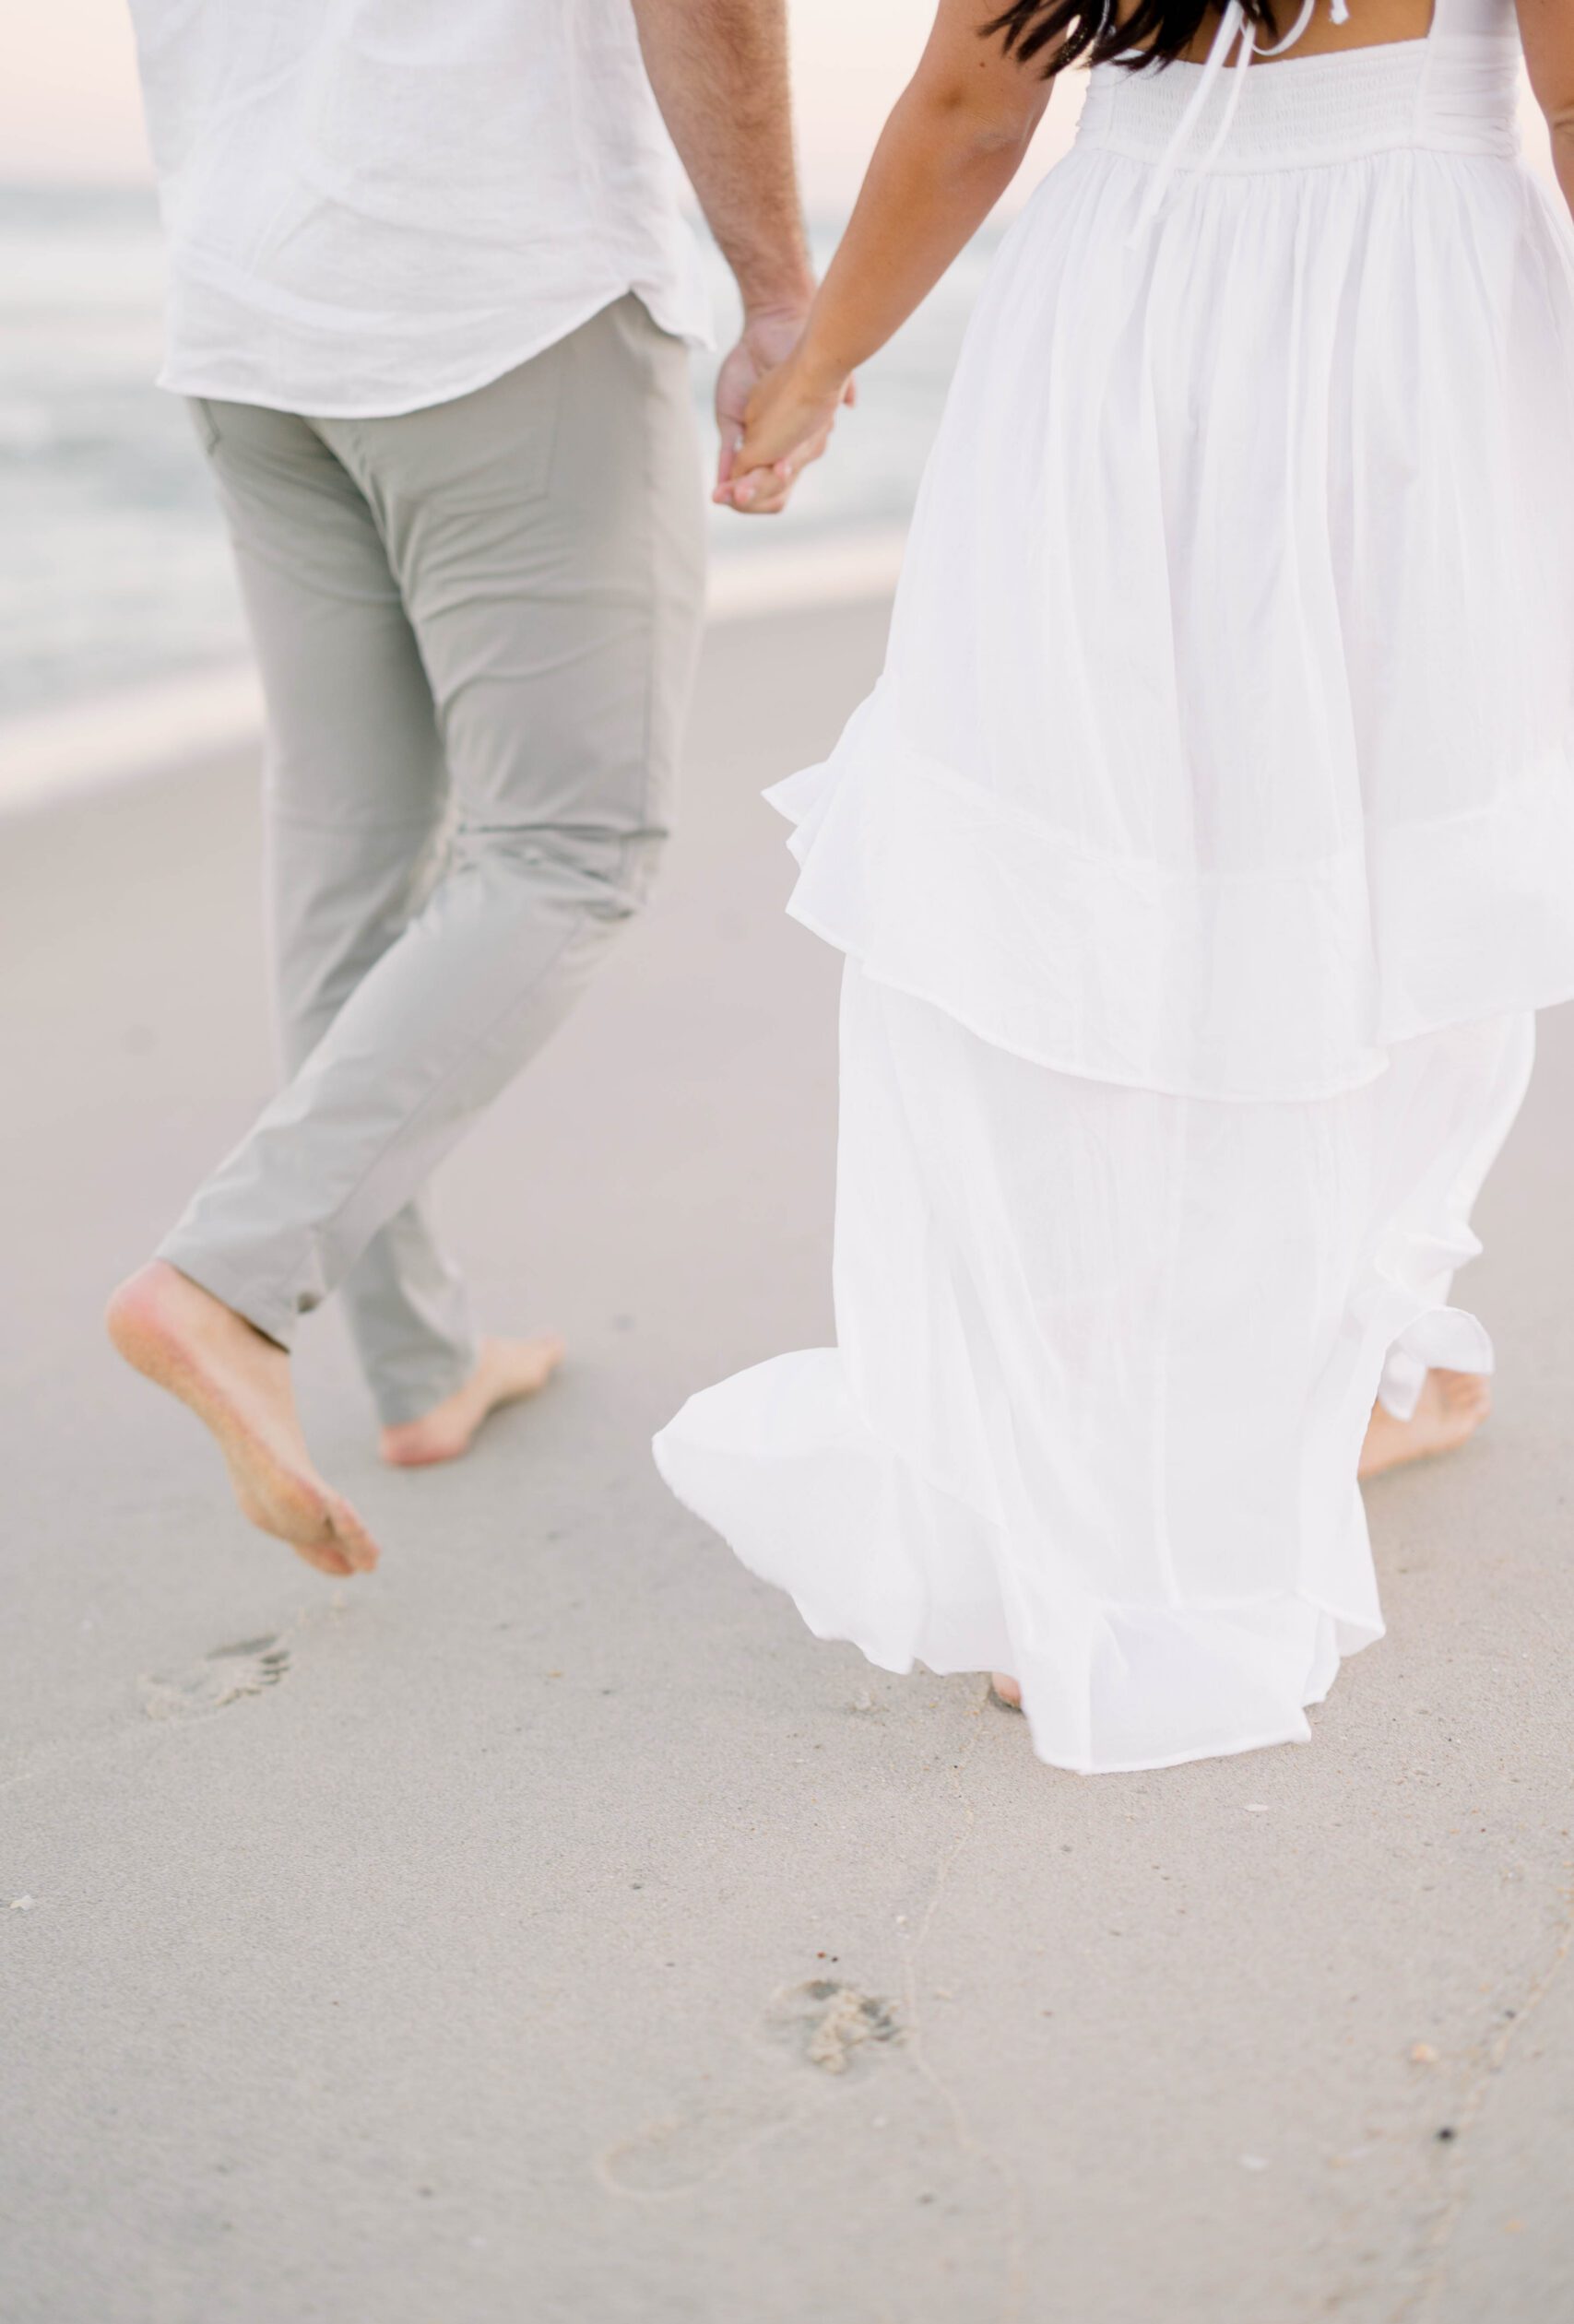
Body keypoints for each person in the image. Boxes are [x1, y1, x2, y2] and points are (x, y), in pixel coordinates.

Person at [654, 0, 1574, 1772]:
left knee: (1116, 871)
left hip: (1125, 323)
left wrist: (814, 363)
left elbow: (966, 109)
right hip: (1422, 335)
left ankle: (1280, 1390)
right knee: (1393, 881)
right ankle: (1243, 1439)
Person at [108, 0, 816, 1576]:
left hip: (247, 292)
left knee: (348, 847)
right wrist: (777, 292)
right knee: (570, 846)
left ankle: (420, 1365)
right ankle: (229, 1278)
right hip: (498, 280)